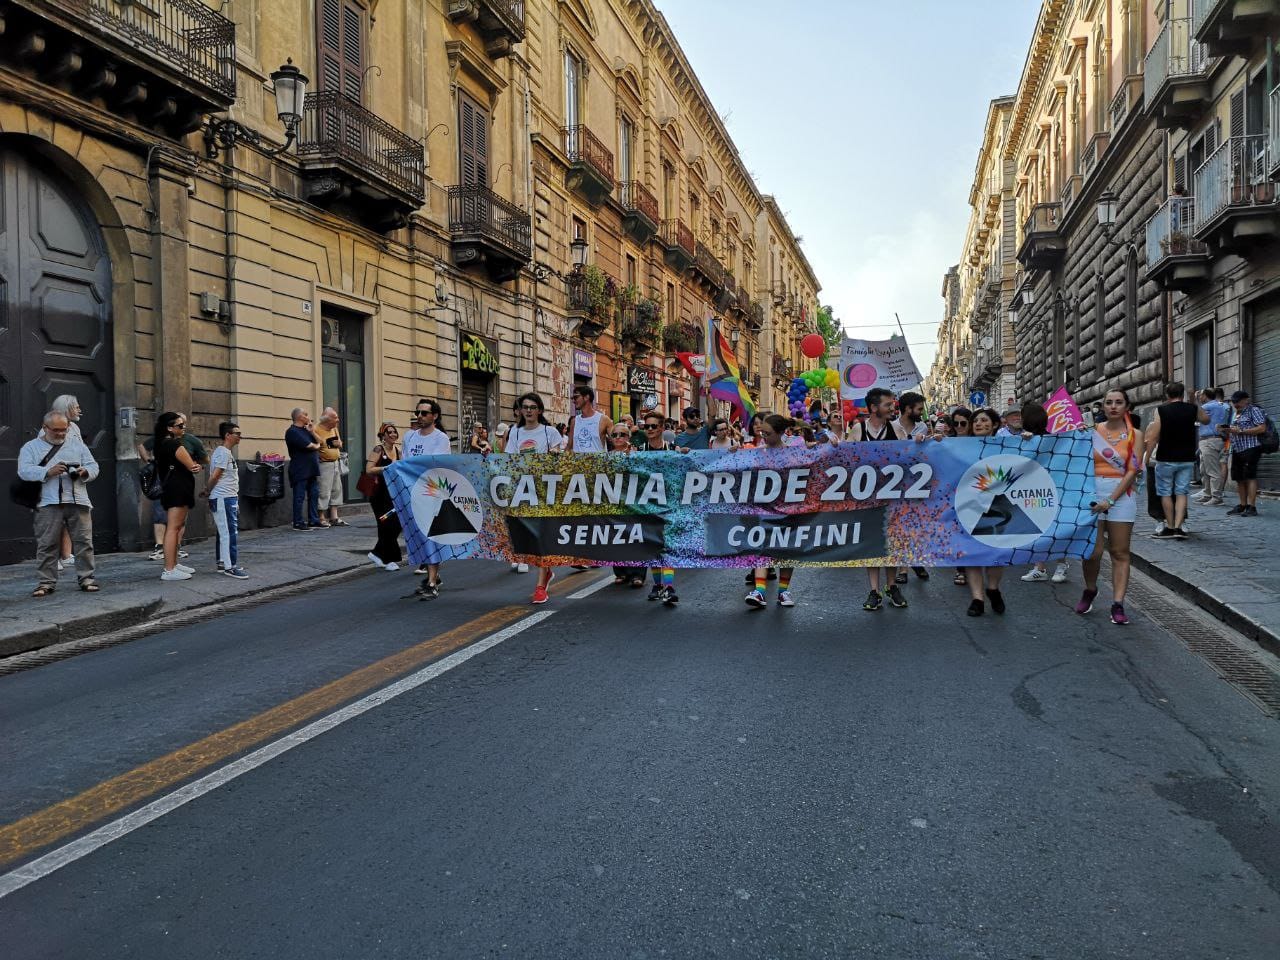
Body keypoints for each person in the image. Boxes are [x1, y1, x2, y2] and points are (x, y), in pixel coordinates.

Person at [1075, 389, 1144, 625]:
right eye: (1109, 402)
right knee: (1092, 552)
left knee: (1119, 552)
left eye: (1119, 402)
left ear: (1127, 407)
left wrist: (1112, 500)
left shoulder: (1135, 435)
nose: (1113, 406)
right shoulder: (1091, 433)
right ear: (1102, 407)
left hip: (1121, 495)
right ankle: (1090, 589)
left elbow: (1133, 471)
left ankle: (1117, 604)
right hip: (1093, 493)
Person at [20, 411, 100, 596]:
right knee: (47, 544)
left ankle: (87, 579)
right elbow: (24, 471)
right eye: (56, 430)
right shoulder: (31, 447)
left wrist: (84, 472)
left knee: (84, 543)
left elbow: (94, 466)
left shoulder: (78, 446)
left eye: (64, 430)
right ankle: (46, 583)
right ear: (45, 427)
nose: (61, 433)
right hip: (47, 502)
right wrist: (48, 472)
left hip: (77, 500)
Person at [849, 388, 909, 610]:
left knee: (892, 542)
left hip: (893, 497)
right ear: (874, 408)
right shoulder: (858, 430)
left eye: (893, 404)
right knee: (872, 544)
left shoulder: (896, 429)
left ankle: (891, 586)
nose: (893, 408)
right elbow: (844, 461)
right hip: (867, 497)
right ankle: (874, 590)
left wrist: (925, 441)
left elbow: (910, 456)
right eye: (888, 404)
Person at [506, 393, 565, 603]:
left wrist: (556, 454)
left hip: (546, 491)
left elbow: (563, 457)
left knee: (543, 535)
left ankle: (541, 585)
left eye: (532, 407)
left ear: (539, 410)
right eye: (525, 407)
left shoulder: (550, 432)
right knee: (529, 535)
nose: (529, 411)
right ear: (520, 411)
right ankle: (546, 570)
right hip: (523, 491)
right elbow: (509, 460)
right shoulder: (515, 432)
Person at [744, 414, 798, 609]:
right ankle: (760, 591)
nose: (763, 436)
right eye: (761, 432)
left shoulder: (793, 454)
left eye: (767, 433)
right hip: (764, 509)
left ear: (781, 433)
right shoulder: (758, 453)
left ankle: (784, 592)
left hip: (788, 508)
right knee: (762, 547)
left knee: (787, 550)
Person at [1145, 381, 1208, 539]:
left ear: (1167, 394)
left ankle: (1170, 527)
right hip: (1186, 457)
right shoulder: (1192, 409)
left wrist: (1147, 456)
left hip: (1166, 457)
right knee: (1181, 492)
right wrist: (1194, 403)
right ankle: (1179, 528)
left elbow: (1154, 436)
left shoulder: (1161, 410)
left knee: (1165, 492)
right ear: (1182, 394)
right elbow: (1206, 420)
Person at [963, 408, 1008, 616]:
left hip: (998, 506)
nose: (979, 424)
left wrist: (1028, 439)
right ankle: (977, 599)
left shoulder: (1006, 445)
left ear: (995, 424)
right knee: (972, 554)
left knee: (996, 553)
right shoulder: (960, 446)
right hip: (968, 506)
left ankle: (993, 588)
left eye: (984, 420)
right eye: (976, 421)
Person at [402, 399, 451, 586]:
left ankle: (431, 580)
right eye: (418, 413)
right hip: (411, 492)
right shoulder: (409, 437)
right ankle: (434, 573)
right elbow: (404, 462)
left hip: (431, 493)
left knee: (431, 534)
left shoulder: (441, 439)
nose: (420, 417)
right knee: (419, 534)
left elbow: (434, 464)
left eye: (424, 413)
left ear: (435, 416)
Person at [636, 410, 681, 606]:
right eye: (647, 427)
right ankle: (657, 586)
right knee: (653, 547)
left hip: (669, 504)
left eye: (654, 426)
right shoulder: (640, 450)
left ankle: (669, 587)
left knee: (668, 546)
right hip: (647, 505)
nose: (650, 430)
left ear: (662, 428)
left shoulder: (673, 449)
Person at [154, 412, 202, 581]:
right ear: (169, 428)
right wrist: (195, 466)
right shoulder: (174, 445)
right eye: (180, 426)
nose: (183, 428)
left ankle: (173, 564)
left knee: (175, 527)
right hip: (178, 488)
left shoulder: (161, 443)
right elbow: (193, 466)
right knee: (174, 528)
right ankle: (169, 568)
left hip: (173, 488)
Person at [42, 395, 84, 571]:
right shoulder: (49, 430)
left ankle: (66, 555)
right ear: (66, 409)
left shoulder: (74, 427)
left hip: (71, 479)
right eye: (76, 407)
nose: (79, 409)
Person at [606, 425, 646, 588]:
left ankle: (638, 574)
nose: (617, 437)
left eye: (622, 434)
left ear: (628, 437)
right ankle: (621, 572)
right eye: (614, 434)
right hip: (613, 500)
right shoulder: (606, 457)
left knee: (635, 537)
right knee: (616, 537)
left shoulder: (636, 454)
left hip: (633, 501)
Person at [207, 421, 248, 579]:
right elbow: (216, 475)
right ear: (227, 435)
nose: (240, 437)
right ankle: (230, 566)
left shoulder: (224, 452)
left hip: (226, 497)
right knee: (229, 533)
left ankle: (223, 562)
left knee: (222, 532)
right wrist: (207, 490)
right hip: (223, 497)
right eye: (237, 434)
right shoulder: (223, 453)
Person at [365, 421, 403, 572]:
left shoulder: (399, 451)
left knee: (397, 524)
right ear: (383, 436)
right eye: (389, 432)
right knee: (385, 524)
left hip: (394, 493)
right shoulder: (378, 449)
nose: (393, 434)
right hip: (379, 494)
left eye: (395, 432)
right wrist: (386, 468)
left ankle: (377, 554)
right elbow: (369, 470)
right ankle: (389, 560)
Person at [1225, 390, 1267, 517]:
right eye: (1233, 401)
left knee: (1250, 476)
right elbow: (1234, 429)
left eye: (1237, 401)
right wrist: (1226, 430)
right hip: (1237, 448)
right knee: (1239, 478)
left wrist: (1242, 431)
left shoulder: (1253, 410)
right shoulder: (1235, 413)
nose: (1235, 404)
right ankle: (1242, 505)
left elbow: (1262, 428)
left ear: (1245, 400)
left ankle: (1252, 506)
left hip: (1251, 447)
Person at [285, 408, 322, 532]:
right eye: (305, 414)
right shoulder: (292, 432)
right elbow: (310, 446)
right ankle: (298, 522)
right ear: (299, 417)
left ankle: (314, 520)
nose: (308, 417)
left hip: (312, 468)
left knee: (314, 494)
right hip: (300, 469)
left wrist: (312, 432)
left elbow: (321, 442)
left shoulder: (307, 430)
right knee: (299, 496)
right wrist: (317, 446)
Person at [1195, 388, 1231, 506]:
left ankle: (1216, 496)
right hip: (1218, 439)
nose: (1199, 398)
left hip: (1208, 440)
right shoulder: (1224, 406)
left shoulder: (1206, 408)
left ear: (1205, 396)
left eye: (1200, 395)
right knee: (1205, 469)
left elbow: (1194, 416)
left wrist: (1194, 402)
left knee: (1211, 470)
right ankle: (1208, 494)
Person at [312, 407, 345, 528]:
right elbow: (315, 446)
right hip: (324, 464)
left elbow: (340, 443)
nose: (338, 420)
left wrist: (336, 444)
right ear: (327, 419)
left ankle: (334, 517)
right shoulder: (316, 429)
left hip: (335, 462)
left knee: (336, 489)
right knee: (323, 490)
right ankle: (321, 517)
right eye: (335, 417)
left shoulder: (334, 429)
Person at [566, 384, 613, 453]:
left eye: (576, 397)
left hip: (598, 463)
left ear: (586, 397)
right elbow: (569, 447)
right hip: (578, 463)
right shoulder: (574, 421)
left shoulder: (604, 420)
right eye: (572, 398)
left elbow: (617, 442)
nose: (573, 401)